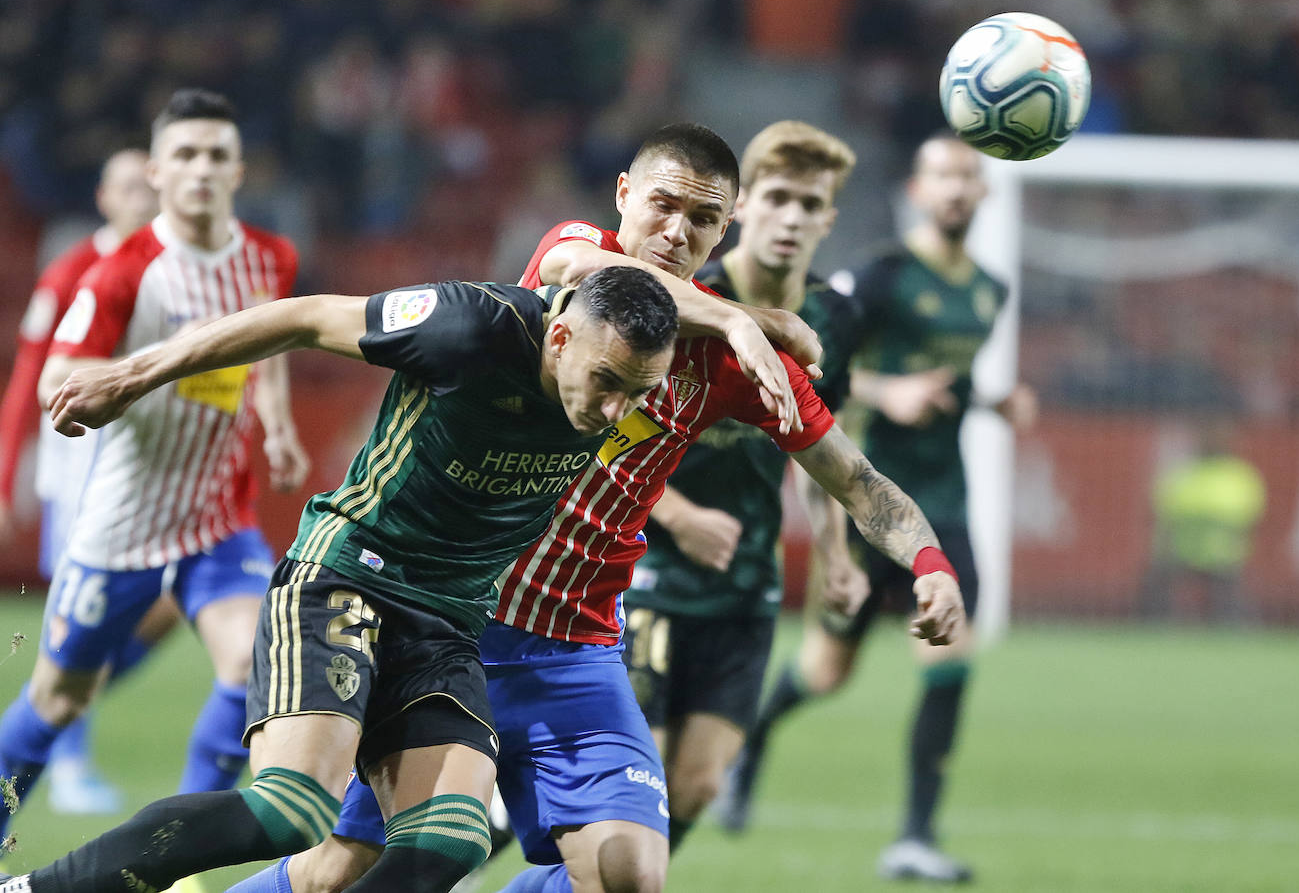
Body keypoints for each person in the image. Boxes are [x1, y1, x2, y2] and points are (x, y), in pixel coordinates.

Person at [223, 123, 965, 893]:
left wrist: (930, 562)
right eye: (662, 206)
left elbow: (856, 479)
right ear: (623, 197)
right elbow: (582, 264)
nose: (676, 232)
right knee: (336, 872)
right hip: (455, 626)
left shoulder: (734, 366)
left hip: (574, 648)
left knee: (626, 872)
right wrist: (740, 315)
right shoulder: (574, 260)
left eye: (702, 219)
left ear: (725, 225)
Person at [2, 265, 683, 893]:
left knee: (450, 841)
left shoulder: (613, 364)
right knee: (289, 812)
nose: (618, 410)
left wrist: (750, 322)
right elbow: (301, 317)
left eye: (639, 392)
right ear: (559, 337)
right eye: (607, 382)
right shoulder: (467, 327)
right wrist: (133, 375)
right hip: (349, 580)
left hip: (446, 624)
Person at [720, 133, 1037, 884]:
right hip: (868, 496)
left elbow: (944, 383)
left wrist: (991, 401)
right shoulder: (881, 279)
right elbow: (819, 370)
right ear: (918, 191)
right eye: (941, 177)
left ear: (984, 192)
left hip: (946, 502)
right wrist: (885, 393)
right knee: (827, 673)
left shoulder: (991, 289)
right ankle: (750, 749)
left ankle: (916, 836)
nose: (956, 189)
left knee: (950, 660)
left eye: (968, 176)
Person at [0, 90, 309, 857]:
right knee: (60, 698)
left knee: (254, 664)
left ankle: (175, 845)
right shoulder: (120, 272)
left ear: (238, 170)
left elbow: (264, 342)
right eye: (185, 155)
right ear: (158, 172)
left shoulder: (272, 256)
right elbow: (56, 381)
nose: (201, 169)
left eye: (215, 155)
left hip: (218, 517)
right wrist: (135, 377)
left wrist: (278, 424)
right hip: (123, 522)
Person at [620, 120, 863, 852]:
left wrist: (838, 553)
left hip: (746, 580)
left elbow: (820, 449)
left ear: (829, 218)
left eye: (810, 204)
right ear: (743, 209)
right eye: (779, 199)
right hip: (645, 567)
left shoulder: (832, 319)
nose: (792, 219)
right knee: (632, 778)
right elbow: (601, 431)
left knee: (695, 785)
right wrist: (679, 512)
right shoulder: (686, 296)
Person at [0, 147, 181, 817]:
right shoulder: (75, 268)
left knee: (165, 610)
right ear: (104, 198)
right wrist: (5, 476)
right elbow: (29, 375)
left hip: (155, 475)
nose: (142, 197)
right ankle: (68, 762)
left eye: (149, 185)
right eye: (128, 186)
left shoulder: (176, 271)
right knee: (78, 623)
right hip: (82, 471)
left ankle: (54, 718)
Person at [1140, 417, 1266, 623]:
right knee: (1154, 584)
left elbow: (1247, 518)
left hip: (1222, 556)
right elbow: (1164, 511)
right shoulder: (1183, 472)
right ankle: (1157, 627)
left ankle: (1235, 628)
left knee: (1228, 597)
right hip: (1182, 552)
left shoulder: (1238, 475)